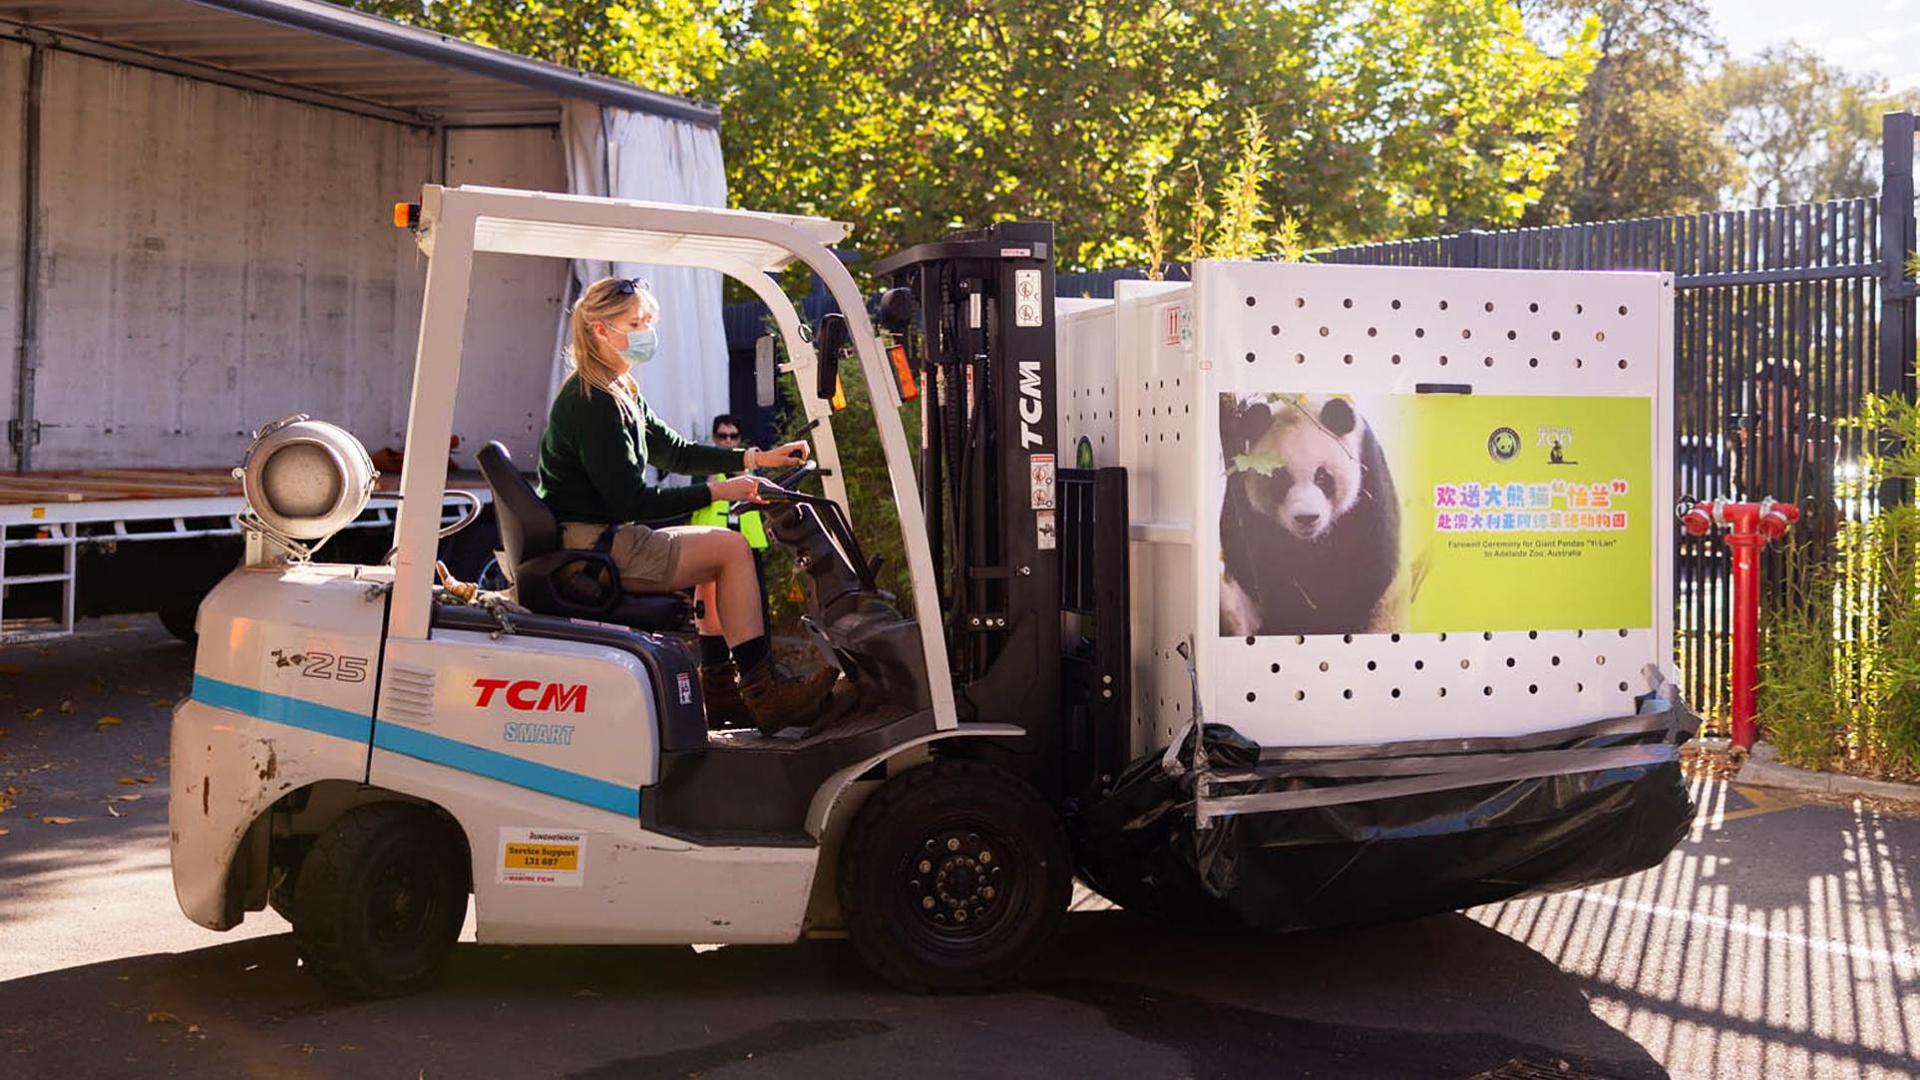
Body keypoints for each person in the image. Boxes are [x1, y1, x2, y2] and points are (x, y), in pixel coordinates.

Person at [536, 277, 837, 735]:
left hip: (608, 537)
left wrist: (755, 458)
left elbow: (674, 452)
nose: (645, 332)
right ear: (600, 330)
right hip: (596, 549)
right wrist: (720, 491)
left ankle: (720, 694)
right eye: (635, 323)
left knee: (717, 549)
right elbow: (630, 500)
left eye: (648, 322)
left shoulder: (620, 390)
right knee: (731, 551)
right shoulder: (593, 402)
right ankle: (766, 694)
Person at [687, 414, 772, 626]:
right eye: (722, 436)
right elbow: (694, 500)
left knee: (755, 599)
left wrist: (744, 472)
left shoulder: (750, 469)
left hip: (747, 542)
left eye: (733, 436)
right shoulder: (703, 468)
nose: (727, 441)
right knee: (710, 602)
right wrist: (714, 471)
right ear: (715, 438)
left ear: (739, 439)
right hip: (711, 542)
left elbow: (765, 501)